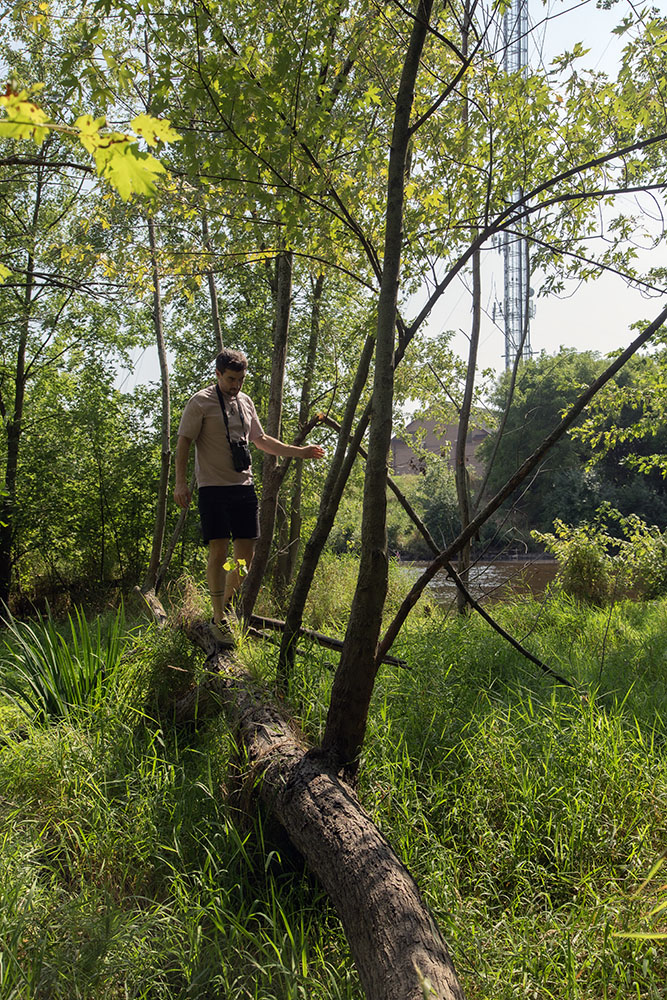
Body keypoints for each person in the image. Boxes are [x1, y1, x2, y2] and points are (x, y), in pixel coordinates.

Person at [174, 348, 324, 645]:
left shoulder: (244, 402)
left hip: (243, 487)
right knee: (218, 553)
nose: (236, 385)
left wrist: (300, 452)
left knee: (244, 558)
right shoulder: (200, 402)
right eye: (231, 379)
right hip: (212, 489)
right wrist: (180, 483)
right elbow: (183, 442)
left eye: (240, 379)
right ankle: (218, 618)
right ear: (217, 374)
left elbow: (261, 440)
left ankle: (225, 604)